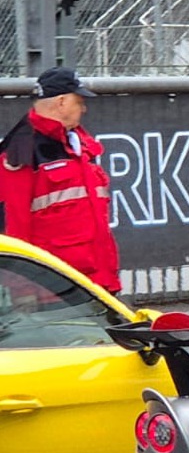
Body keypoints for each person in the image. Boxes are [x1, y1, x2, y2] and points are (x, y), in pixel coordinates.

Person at [0, 66, 120, 294]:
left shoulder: (78, 143)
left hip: (96, 283)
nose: (83, 109)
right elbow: (14, 226)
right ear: (62, 102)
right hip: (55, 290)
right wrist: (22, 291)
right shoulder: (21, 148)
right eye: (79, 102)